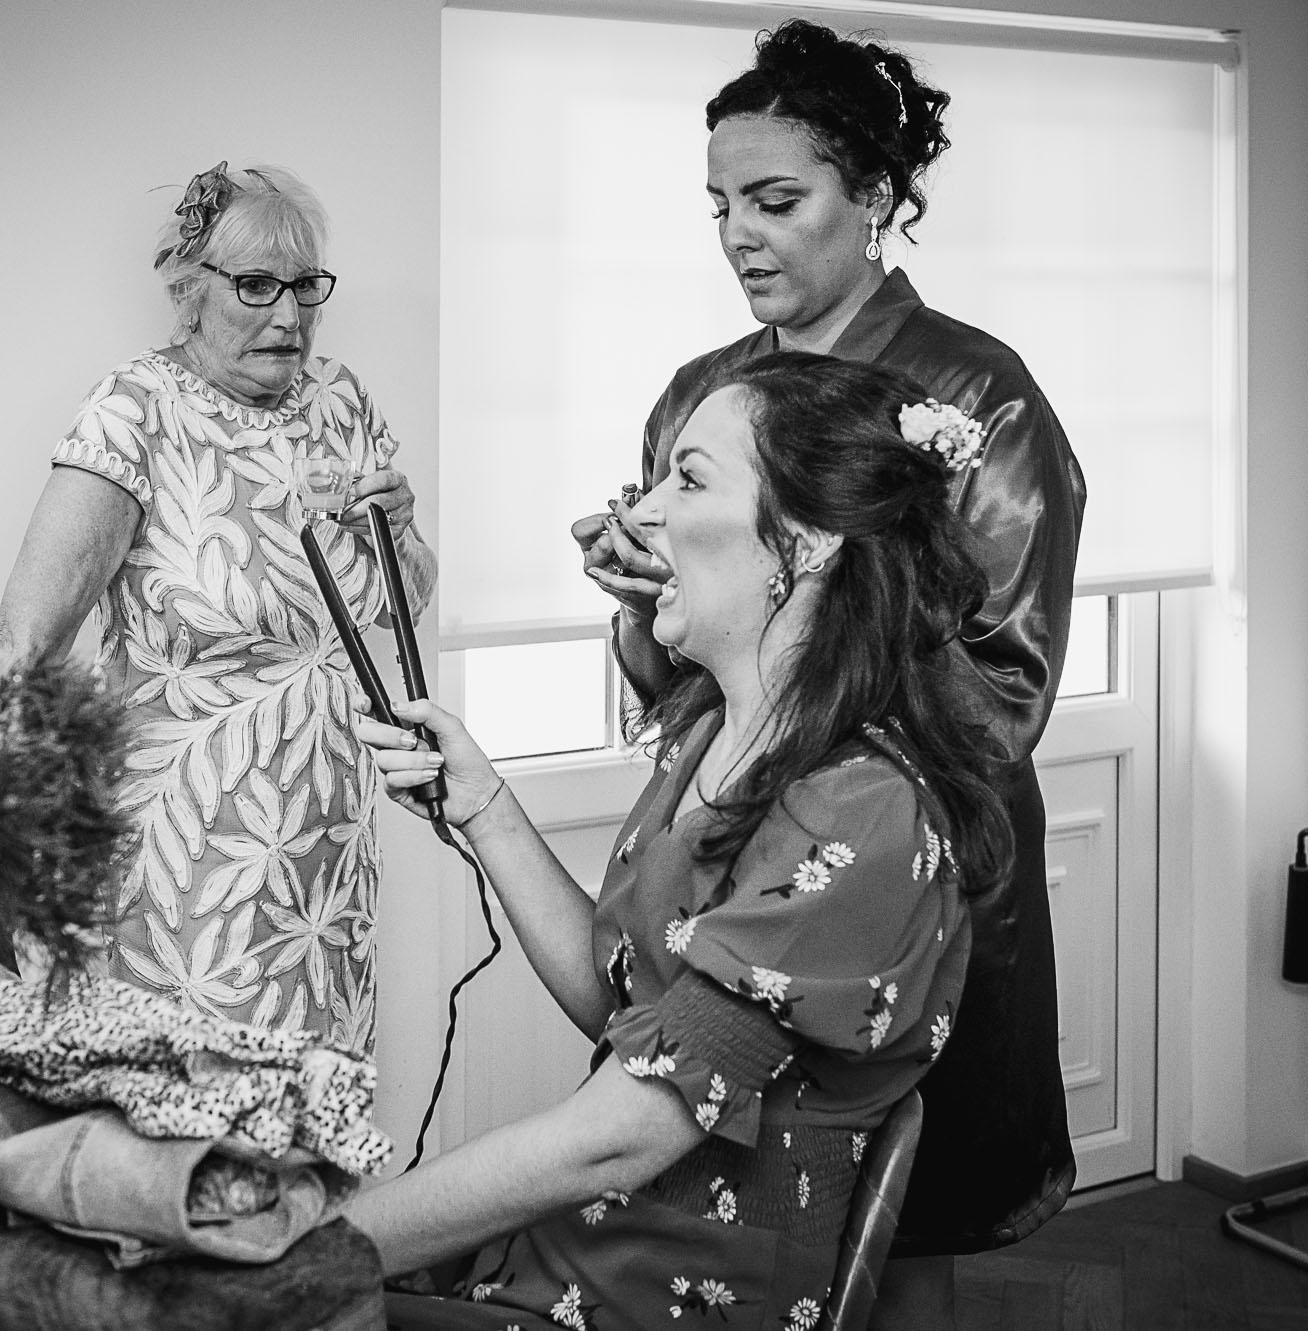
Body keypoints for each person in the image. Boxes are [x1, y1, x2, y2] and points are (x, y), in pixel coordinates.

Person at [572, 21, 1086, 1319]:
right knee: (698, 1203)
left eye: (775, 200)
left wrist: (801, 703)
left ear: (874, 197)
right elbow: (680, 681)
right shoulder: (703, 393)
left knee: (895, 1236)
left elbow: (1000, 692)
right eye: (720, 206)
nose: (739, 235)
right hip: (725, 858)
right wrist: (646, 607)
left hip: (898, 868)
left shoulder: (978, 395)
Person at [353, 352, 1014, 1331]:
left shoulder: (861, 811)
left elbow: (617, 1137)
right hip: (581, 1246)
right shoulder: (713, 732)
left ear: (807, 542)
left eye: (689, 479)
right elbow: (627, 1010)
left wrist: (322, 1244)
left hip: (666, 1296)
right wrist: (484, 806)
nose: (642, 511)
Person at [0, 162, 436, 1053]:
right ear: (189, 292)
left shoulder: (341, 403)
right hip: (178, 860)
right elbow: (25, 643)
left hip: (326, 866)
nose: (290, 316)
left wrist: (401, 530)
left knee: (313, 1110)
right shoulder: (136, 412)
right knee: (190, 1111)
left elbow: (406, 602)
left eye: (305, 286)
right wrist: (16, 848)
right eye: (257, 285)